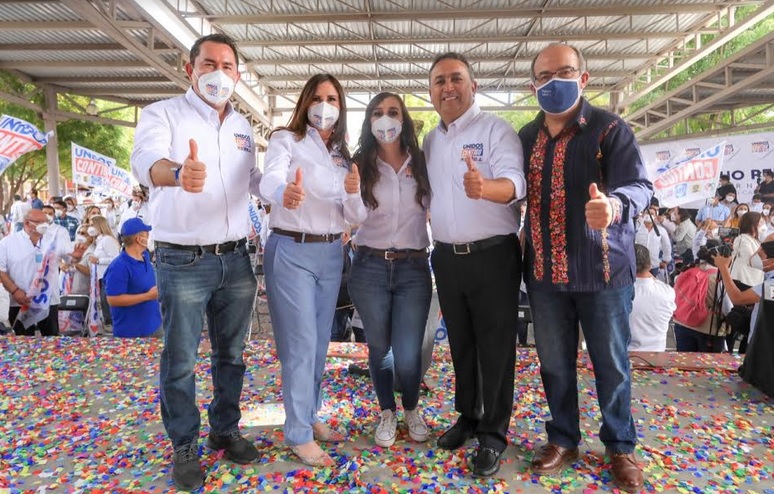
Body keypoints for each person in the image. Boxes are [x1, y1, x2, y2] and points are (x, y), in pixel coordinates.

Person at [131, 33, 263, 491]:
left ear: (238, 75)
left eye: (227, 66)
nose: (218, 74)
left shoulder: (243, 126)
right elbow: (146, 161)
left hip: (236, 260)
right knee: (181, 359)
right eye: (209, 64)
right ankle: (185, 443)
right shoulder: (163, 113)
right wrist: (176, 173)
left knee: (232, 355)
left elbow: (252, 179)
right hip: (183, 261)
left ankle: (224, 429)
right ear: (190, 69)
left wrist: (280, 187)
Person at [521, 43, 652, 493]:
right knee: (554, 364)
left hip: (602, 275)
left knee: (611, 365)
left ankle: (620, 445)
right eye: (544, 76)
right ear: (533, 85)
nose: (553, 82)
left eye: (564, 72)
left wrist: (614, 205)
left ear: (583, 78)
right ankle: (563, 438)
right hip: (545, 275)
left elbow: (641, 186)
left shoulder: (609, 129)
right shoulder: (525, 137)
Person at [423, 52, 525, 478]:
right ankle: (468, 415)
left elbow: (515, 183)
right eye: (439, 81)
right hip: (447, 257)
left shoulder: (496, 130)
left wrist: (486, 187)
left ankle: (493, 434)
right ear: (431, 92)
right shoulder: (430, 141)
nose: (448, 87)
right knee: (461, 344)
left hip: (493, 255)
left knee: (495, 348)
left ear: (473, 85)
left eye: (456, 79)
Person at [259, 73, 367, 468]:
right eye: (318, 97)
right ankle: (298, 433)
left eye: (333, 99)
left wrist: (353, 192)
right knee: (301, 343)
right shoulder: (285, 140)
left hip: (331, 253)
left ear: (341, 107)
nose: (325, 105)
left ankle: (309, 414)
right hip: (292, 249)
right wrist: (282, 193)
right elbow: (270, 178)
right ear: (305, 102)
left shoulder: (344, 155)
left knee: (320, 342)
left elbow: (355, 215)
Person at [347, 92, 433, 448]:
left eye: (393, 112)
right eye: (378, 113)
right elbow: (351, 218)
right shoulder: (359, 165)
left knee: (409, 353)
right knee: (380, 348)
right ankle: (387, 411)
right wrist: (350, 193)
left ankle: (411, 408)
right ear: (369, 121)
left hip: (414, 267)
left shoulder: (422, 162)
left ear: (404, 119)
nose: (386, 119)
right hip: (369, 266)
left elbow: (438, 206)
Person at [0, 209, 83, 336]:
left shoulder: (55, 240)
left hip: (47, 300)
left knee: (52, 340)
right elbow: (1, 271)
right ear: (27, 223)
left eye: (46, 222)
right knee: (22, 341)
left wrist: (77, 257)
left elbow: (70, 259)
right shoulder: (8, 242)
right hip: (20, 300)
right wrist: (15, 291)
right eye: (39, 222)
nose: (44, 225)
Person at [104, 218, 162, 338]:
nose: (149, 237)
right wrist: (147, 296)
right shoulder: (119, 266)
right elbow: (113, 299)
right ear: (139, 239)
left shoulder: (145, 256)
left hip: (155, 325)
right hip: (131, 333)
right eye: (147, 234)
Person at [673, 240, 731, 352]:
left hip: (682, 324)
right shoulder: (719, 277)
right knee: (707, 363)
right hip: (708, 330)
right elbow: (727, 309)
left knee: (685, 361)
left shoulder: (687, 270)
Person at [629, 245, 675, 352]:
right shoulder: (667, 292)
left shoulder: (619, 293)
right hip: (657, 353)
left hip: (626, 354)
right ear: (650, 266)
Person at [87, 215, 121, 327]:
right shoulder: (99, 241)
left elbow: (115, 258)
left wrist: (98, 261)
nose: (90, 228)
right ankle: (108, 323)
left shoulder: (107, 240)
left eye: (92, 225)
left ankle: (112, 324)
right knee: (103, 300)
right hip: (101, 275)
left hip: (109, 275)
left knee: (107, 301)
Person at [634, 213, 671, 277]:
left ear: (656, 216)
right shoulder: (637, 228)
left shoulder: (661, 230)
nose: (649, 215)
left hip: (653, 265)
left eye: (652, 213)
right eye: (647, 213)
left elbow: (666, 246)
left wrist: (666, 260)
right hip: (637, 265)